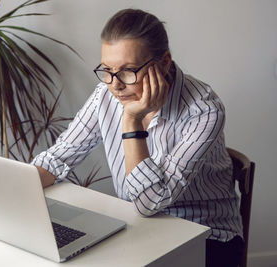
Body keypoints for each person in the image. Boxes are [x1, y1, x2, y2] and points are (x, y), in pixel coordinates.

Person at [31, 8, 243, 267]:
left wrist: (131, 121)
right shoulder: (106, 95)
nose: (115, 84)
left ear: (164, 62)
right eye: (107, 69)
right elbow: (57, 158)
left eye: (128, 71)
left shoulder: (204, 110)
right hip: (139, 227)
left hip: (207, 235)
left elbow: (149, 202)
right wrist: (16, 189)